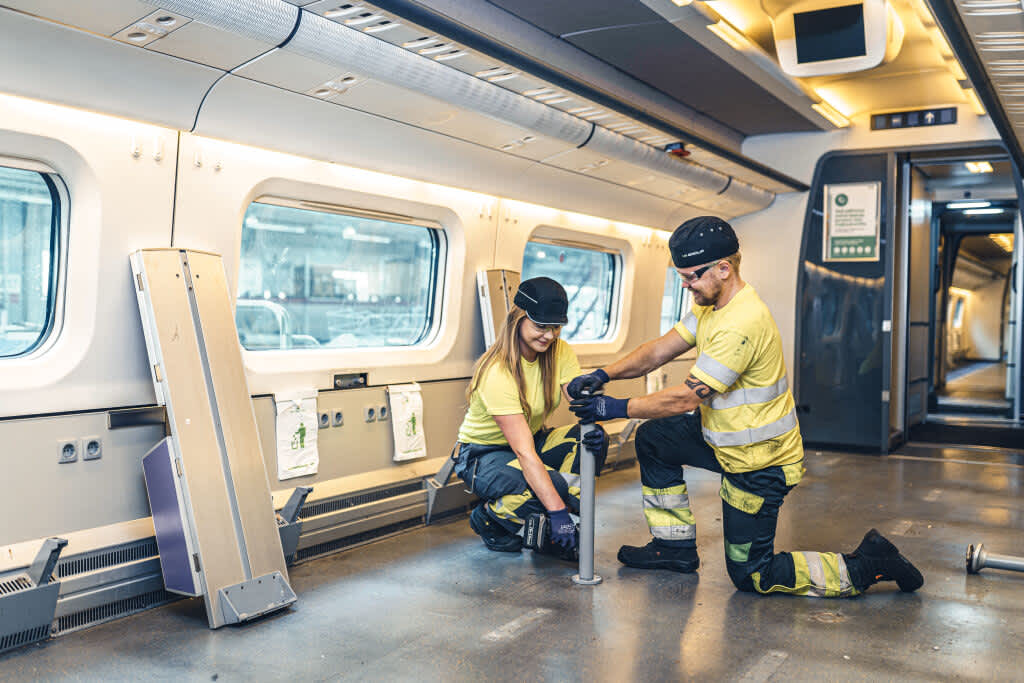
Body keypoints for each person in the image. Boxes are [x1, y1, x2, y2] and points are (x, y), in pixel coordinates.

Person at [567, 216, 923, 597]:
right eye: (681, 277)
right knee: (655, 440)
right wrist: (604, 373)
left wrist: (616, 408)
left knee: (753, 575)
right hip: (720, 441)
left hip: (759, 463)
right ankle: (673, 548)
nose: (686, 286)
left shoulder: (742, 322)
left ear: (724, 268)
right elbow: (658, 350)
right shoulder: (710, 306)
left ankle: (868, 564)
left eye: (691, 277)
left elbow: (685, 397)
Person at [454, 276, 608, 559]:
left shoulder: (558, 351)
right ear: (518, 319)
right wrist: (558, 511)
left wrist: (593, 424)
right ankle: (488, 518)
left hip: (533, 440)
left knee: (584, 440)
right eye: (540, 326)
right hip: (483, 455)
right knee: (541, 490)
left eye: (555, 327)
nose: (549, 336)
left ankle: (554, 528)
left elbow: (577, 399)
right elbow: (525, 455)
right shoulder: (497, 372)